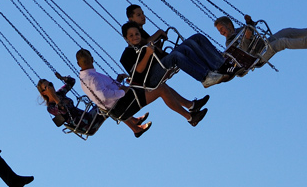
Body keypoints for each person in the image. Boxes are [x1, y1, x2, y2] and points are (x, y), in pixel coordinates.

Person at [77, 48, 209, 127]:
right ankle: (190, 117)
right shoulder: (92, 78)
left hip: (121, 102)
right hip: (122, 104)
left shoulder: (87, 77)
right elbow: (103, 96)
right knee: (160, 89)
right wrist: (122, 91)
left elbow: (102, 92)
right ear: (92, 59)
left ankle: (192, 106)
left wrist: (118, 82)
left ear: (78, 64)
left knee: (157, 84)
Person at [37, 72, 152, 138]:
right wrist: (56, 98)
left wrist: (62, 78)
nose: (51, 87)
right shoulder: (51, 107)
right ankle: (135, 128)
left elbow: (71, 81)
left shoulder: (60, 93)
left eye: (51, 84)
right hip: (84, 124)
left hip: (87, 116)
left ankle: (134, 121)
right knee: (106, 105)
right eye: (48, 87)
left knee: (106, 102)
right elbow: (62, 110)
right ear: (43, 92)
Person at [121, 19, 227, 90]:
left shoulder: (144, 45)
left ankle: (219, 65)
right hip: (150, 78)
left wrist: (158, 47)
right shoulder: (126, 55)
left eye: (137, 34)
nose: (135, 37)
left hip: (161, 64)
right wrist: (148, 54)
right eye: (131, 35)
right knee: (176, 55)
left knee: (194, 40)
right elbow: (138, 71)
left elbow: (162, 55)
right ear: (126, 38)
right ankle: (204, 77)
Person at [214, 14, 307, 68]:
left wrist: (250, 23)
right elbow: (243, 53)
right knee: (281, 42)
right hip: (256, 56)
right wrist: (247, 38)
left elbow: (251, 31)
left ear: (229, 25)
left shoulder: (240, 30)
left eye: (221, 29)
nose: (221, 32)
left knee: (285, 32)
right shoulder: (229, 43)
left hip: (262, 44)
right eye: (219, 30)